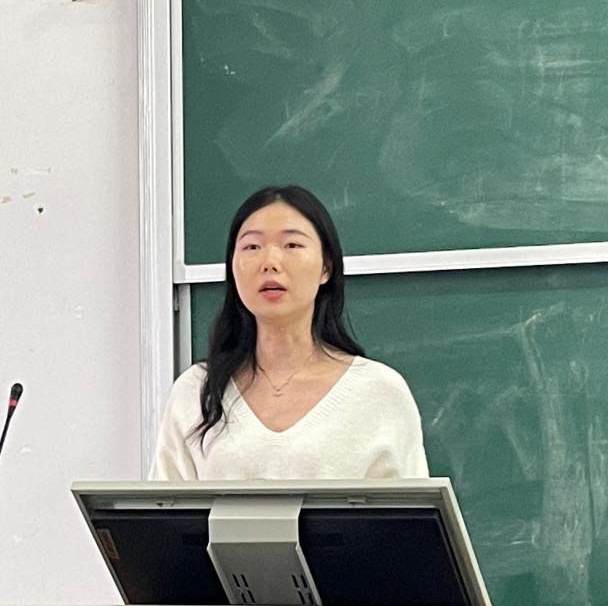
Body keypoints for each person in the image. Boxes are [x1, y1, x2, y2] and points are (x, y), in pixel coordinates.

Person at [149, 185, 428, 480]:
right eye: (252, 247)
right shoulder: (197, 391)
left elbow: (413, 509)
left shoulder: (378, 390)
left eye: (292, 245)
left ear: (326, 268)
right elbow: (161, 506)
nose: (270, 262)